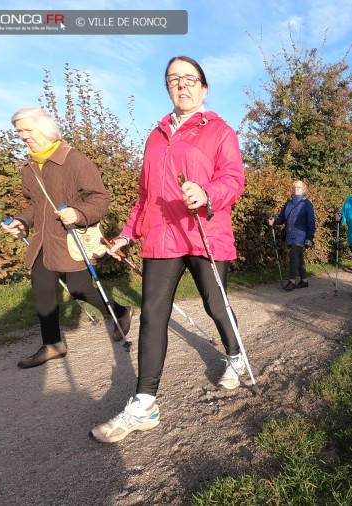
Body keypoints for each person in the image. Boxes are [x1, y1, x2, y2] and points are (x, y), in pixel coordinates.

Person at [91, 56, 245, 443]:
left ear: (204, 88)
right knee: (153, 316)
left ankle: (236, 355)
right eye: (174, 79)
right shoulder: (155, 136)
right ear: (167, 88)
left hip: (203, 231)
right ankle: (145, 403)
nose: (182, 85)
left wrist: (207, 192)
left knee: (214, 303)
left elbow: (234, 179)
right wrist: (127, 234)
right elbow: (147, 197)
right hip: (161, 237)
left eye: (190, 79)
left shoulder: (220, 131)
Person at [1, 107, 133, 369]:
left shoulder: (74, 160)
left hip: (74, 239)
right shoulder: (28, 166)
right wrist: (22, 221)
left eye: (28, 130)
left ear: (46, 129)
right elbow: (34, 205)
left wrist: (79, 213)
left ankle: (119, 311)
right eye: (19, 131)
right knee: (42, 288)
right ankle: (52, 344)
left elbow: (100, 198)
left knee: (79, 290)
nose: (24, 136)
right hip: (44, 240)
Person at [268, 180, 316, 290]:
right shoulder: (288, 203)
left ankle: (292, 281)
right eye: (294, 187)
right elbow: (281, 218)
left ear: (304, 189)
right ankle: (304, 281)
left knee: (293, 255)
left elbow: (311, 223)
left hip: (301, 236)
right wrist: (274, 220)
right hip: (290, 235)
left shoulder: (307, 204)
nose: (296, 189)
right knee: (299, 257)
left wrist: (309, 237)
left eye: (298, 187)